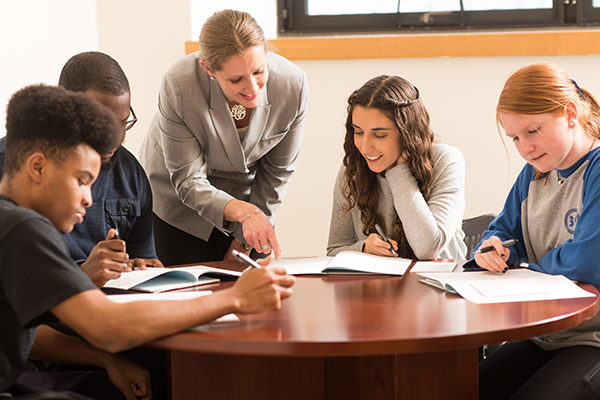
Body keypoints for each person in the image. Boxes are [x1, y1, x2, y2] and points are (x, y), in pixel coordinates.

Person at [0, 84, 295, 399]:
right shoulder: (22, 229)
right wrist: (235, 297)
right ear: (38, 167)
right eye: (82, 181)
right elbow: (110, 328)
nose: (88, 199)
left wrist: (106, 360)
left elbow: (19, 332)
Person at [468, 63, 600, 399]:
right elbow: (501, 230)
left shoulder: (596, 168)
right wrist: (492, 248)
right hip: (548, 333)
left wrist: (528, 267)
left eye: (533, 131)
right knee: (466, 389)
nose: (525, 147)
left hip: (592, 337)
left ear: (570, 113)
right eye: (514, 137)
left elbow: (588, 260)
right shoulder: (535, 172)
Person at [140, 9, 309, 266]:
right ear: (208, 69)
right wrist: (244, 212)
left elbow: (278, 173)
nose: (252, 88)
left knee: (255, 294)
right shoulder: (179, 84)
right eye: (236, 79)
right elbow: (187, 180)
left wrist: (244, 233)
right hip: (178, 205)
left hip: (251, 204)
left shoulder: (292, 85)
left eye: (258, 72)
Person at [0, 51, 162, 289]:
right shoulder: (13, 166)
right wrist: (84, 276)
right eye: (80, 181)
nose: (114, 138)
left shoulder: (130, 172)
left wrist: (138, 266)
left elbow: (143, 257)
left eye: (123, 123)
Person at [327, 75, 467, 260]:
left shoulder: (446, 160)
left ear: (407, 133)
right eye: (359, 132)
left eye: (380, 135)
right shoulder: (352, 170)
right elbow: (334, 251)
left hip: (440, 284)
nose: (365, 147)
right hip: (379, 287)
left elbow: (428, 248)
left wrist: (399, 170)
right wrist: (363, 248)